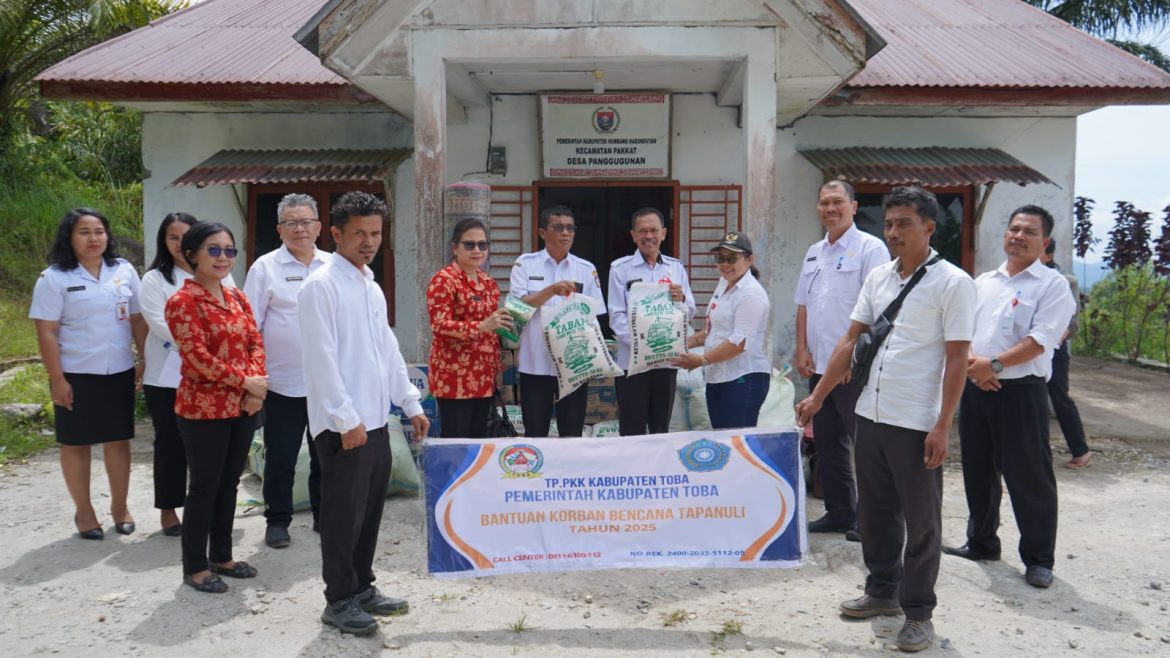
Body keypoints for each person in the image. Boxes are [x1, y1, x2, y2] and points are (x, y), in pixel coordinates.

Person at [795, 187, 975, 653]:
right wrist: (817, 396)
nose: (893, 232)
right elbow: (848, 344)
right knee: (875, 514)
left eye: (904, 224)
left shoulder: (954, 283)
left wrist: (943, 426)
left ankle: (918, 613)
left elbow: (958, 361)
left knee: (922, 521)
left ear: (929, 228)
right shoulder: (878, 277)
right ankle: (881, 592)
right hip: (869, 411)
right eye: (889, 224)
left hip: (916, 420)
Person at [298, 191, 429, 635]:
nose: (369, 241)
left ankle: (361, 587)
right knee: (341, 514)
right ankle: (337, 600)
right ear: (335, 234)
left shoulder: (369, 285)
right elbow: (320, 359)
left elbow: (387, 351)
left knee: (369, 509)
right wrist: (344, 418)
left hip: (375, 419)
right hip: (344, 425)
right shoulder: (321, 286)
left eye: (375, 233)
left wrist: (409, 402)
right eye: (359, 233)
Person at [944, 206, 1076, 590]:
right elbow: (961, 333)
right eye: (1013, 228)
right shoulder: (984, 281)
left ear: (1044, 241)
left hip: (1021, 392)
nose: (1018, 236)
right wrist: (975, 368)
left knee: (1029, 476)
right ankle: (982, 542)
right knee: (978, 471)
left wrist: (994, 366)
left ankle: (1038, 559)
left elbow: (1040, 340)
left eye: (1029, 231)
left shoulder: (1052, 286)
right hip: (976, 386)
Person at [30, 208, 147, 540]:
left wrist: (144, 358)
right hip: (76, 373)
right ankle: (84, 512)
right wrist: (57, 378)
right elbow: (47, 332)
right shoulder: (53, 278)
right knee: (76, 444)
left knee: (118, 440)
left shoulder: (122, 270)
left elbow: (137, 319)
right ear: (69, 237)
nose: (93, 238)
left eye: (99, 231)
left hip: (118, 369)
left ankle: (120, 507)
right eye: (84, 232)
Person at [165, 222, 267, 594]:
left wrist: (255, 388)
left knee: (229, 483)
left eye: (229, 250)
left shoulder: (236, 297)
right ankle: (194, 566)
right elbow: (196, 358)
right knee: (205, 486)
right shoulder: (182, 302)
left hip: (241, 405)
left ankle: (222, 556)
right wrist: (247, 383)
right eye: (214, 249)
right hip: (203, 409)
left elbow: (256, 340)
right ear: (192, 254)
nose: (223, 257)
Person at [795, 180, 889, 541]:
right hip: (817, 366)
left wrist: (857, 359)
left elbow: (879, 312)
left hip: (852, 369)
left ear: (853, 205)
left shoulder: (871, 249)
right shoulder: (814, 251)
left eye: (837, 202)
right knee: (828, 443)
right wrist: (802, 348)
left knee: (864, 447)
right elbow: (804, 303)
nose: (829, 209)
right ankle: (840, 512)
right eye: (823, 203)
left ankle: (872, 520)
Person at [141, 212, 239, 537]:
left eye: (186, 236)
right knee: (170, 445)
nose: (180, 244)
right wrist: (203, 345)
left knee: (210, 454)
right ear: (164, 242)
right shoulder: (155, 280)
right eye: (173, 237)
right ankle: (169, 510)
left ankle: (207, 512)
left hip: (214, 379)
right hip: (167, 377)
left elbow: (238, 326)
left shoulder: (223, 276)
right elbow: (162, 326)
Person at [242, 193, 329, 548]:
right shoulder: (265, 268)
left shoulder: (333, 265)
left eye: (306, 221)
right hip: (282, 385)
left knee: (327, 457)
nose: (300, 229)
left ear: (319, 227)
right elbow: (250, 327)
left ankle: (326, 517)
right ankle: (277, 521)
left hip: (326, 383)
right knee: (281, 458)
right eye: (291, 222)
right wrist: (255, 379)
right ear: (279, 229)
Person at [509, 205, 605, 438]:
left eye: (570, 228)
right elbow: (517, 310)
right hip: (535, 363)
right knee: (535, 432)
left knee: (572, 433)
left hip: (574, 364)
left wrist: (592, 360)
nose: (565, 233)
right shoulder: (525, 264)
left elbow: (594, 318)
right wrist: (551, 290)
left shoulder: (586, 269)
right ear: (543, 232)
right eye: (558, 227)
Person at [607, 207, 695, 435]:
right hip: (632, 363)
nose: (649, 236)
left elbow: (690, 311)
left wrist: (682, 299)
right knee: (631, 428)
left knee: (660, 428)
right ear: (633, 235)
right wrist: (643, 344)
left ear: (664, 233)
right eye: (642, 231)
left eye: (654, 230)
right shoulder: (620, 269)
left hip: (666, 362)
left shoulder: (676, 268)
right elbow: (616, 317)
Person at [674, 232, 770, 430]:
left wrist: (700, 361)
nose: (725, 264)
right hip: (717, 376)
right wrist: (678, 345)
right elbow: (711, 331)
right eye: (720, 258)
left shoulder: (751, 293)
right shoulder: (723, 284)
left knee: (737, 443)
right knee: (722, 440)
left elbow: (739, 342)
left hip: (743, 378)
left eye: (732, 258)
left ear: (749, 260)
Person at [426, 217, 512, 438]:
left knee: (479, 446)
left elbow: (492, 329)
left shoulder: (489, 283)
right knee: (456, 446)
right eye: (469, 244)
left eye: (482, 245)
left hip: (484, 378)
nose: (477, 250)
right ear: (455, 247)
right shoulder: (444, 280)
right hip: (455, 379)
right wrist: (482, 326)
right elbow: (439, 326)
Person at [1042, 240, 1091, 469]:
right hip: (1029, 351)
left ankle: (1080, 450)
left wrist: (1053, 337)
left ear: (1048, 254)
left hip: (1055, 351)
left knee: (1059, 398)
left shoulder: (1065, 280)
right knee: (1032, 400)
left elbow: (1072, 324)